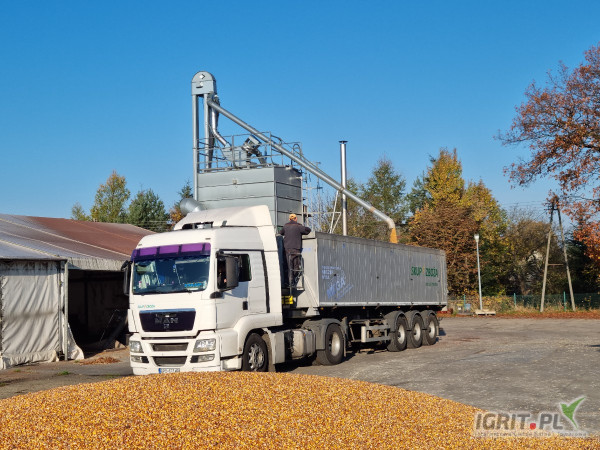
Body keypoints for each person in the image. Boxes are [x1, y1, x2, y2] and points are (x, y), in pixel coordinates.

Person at [280, 213, 311, 286]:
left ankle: (288, 282)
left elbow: (281, 232)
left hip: (287, 249)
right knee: (296, 266)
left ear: (289, 219)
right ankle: (292, 281)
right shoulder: (298, 226)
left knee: (289, 266)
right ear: (296, 219)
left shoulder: (285, 226)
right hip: (295, 249)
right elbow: (308, 230)